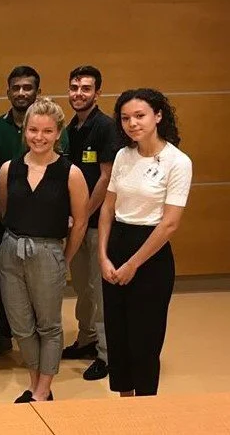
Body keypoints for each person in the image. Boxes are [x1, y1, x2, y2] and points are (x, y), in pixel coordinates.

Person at [98, 88, 191, 397]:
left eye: (140, 116)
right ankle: (125, 401)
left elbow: (170, 224)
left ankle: (147, 410)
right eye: (125, 118)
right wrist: (103, 256)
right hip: (116, 244)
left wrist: (132, 265)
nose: (132, 123)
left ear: (158, 116)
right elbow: (108, 208)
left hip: (150, 253)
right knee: (118, 334)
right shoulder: (123, 155)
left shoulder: (177, 162)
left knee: (145, 338)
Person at [0, 98, 89, 403]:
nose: (39, 137)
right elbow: (5, 207)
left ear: (57, 133)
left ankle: (43, 388)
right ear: (25, 131)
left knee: (48, 325)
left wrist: (65, 257)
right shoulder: (10, 169)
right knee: (22, 325)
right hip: (11, 250)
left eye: (47, 131)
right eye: (34, 130)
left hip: (48, 252)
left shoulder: (70, 173)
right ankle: (35, 382)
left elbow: (80, 222)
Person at [61, 66, 120, 381]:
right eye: (74, 87)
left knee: (99, 291)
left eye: (86, 88)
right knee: (81, 286)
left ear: (97, 93)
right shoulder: (71, 127)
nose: (78, 93)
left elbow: (106, 176)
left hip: (97, 224)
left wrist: (83, 214)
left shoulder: (104, 127)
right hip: (77, 224)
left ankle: (107, 356)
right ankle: (86, 340)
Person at [0, 66, 41, 362]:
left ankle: (39, 336)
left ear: (37, 92)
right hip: (1, 218)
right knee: (2, 277)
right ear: (8, 91)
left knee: (39, 279)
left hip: (41, 219)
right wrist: (2, 213)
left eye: (27, 87)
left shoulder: (49, 127)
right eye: (16, 87)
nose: (21, 93)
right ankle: (3, 334)